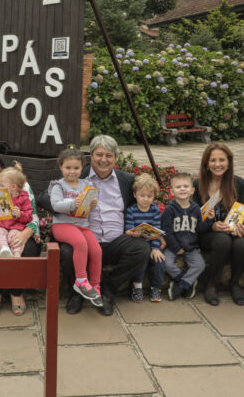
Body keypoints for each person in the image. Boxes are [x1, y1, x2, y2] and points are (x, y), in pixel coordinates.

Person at [38, 135, 150, 316]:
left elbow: (144, 201)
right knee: (66, 251)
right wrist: (69, 206)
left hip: (115, 241)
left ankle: (107, 290)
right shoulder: (77, 173)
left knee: (141, 249)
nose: (104, 160)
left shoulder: (127, 180)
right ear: (91, 156)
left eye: (109, 155)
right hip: (82, 236)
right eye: (99, 155)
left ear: (115, 157)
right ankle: (77, 293)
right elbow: (43, 197)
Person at [0, 148, 42, 317]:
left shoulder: (20, 185)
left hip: (21, 228)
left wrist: (25, 234)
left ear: (0, 166)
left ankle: (15, 292)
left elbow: (33, 216)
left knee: (27, 250)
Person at [193, 142, 244, 306]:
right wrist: (212, 226)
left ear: (229, 162)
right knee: (222, 240)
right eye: (213, 160)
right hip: (208, 234)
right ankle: (212, 284)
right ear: (206, 163)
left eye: (222, 160)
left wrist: (243, 227)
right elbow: (194, 219)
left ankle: (235, 284)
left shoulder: (238, 183)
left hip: (233, 230)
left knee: (243, 246)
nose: (217, 164)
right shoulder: (198, 185)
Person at [49, 146, 102, 307]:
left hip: (82, 225)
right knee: (80, 243)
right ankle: (80, 281)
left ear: (82, 168)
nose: (72, 171)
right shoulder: (58, 186)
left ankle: (95, 286)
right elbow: (56, 205)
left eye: (76, 168)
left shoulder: (86, 184)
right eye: (68, 168)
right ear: (61, 167)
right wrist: (73, 202)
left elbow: (87, 207)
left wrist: (92, 204)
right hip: (62, 225)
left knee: (97, 251)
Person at [159, 173, 212, 301]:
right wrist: (176, 248)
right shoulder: (169, 210)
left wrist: (209, 220)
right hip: (173, 246)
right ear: (172, 191)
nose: (182, 189)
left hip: (191, 246)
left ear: (192, 190)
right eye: (178, 187)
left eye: (186, 186)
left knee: (200, 264)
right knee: (165, 262)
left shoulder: (195, 209)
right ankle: (186, 282)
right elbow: (167, 231)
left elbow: (199, 228)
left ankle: (181, 285)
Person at [126, 174, 164, 303]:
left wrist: (156, 248)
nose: (145, 199)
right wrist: (131, 232)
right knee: (140, 260)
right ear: (135, 194)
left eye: (149, 196)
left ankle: (156, 288)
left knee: (159, 261)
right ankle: (137, 287)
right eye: (142, 195)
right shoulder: (131, 210)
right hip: (138, 243)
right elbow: (129, 228)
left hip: (152, 242)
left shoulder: (154, 210)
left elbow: (157, 230)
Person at [0, 163, 34, 257]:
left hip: (16, 227)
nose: (0, 188)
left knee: (15, 237)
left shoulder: (24, 199)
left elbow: (29, 217)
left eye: (2, 185)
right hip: (1, 225)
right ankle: (4, 249)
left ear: (13, 187)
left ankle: (17, 254)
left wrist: (20, 214)